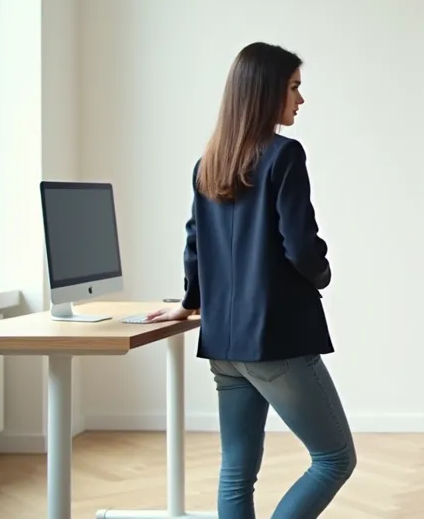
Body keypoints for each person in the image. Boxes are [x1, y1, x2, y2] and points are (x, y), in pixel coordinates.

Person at [146, 42, 355, 518]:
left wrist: (190, 303)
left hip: (224, 345)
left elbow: (195, 244)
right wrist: (322, 272)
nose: (301, 99)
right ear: (267, 91)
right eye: (294, 87)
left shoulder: (208, 162)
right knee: (334, 458)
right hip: (276, 342)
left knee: (236, 472)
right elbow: (300, 246)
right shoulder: (285, 155)